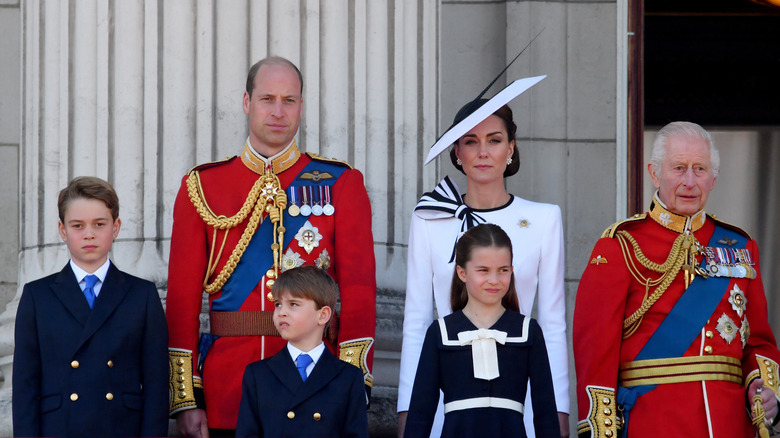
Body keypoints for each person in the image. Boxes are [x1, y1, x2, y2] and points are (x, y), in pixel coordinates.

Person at [166, 56, 376, 437]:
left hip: (317, 390)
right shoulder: (202, 187)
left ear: (300, 105)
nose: (278, 111)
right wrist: (187, 398)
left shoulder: (340, 183)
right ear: (247, 102)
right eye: (267, 99)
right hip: (227, 391)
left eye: (289, 100)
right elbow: (181, 302)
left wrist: (354, 382)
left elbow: (360, 294)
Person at [573, 121, 780, 437]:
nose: (689, 181)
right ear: (654, 173)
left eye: (700, 169)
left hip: (727, 425)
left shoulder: (739, 246)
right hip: (652, 421)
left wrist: (765, 389)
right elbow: (595, 353)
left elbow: (758, 341)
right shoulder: (620, 245)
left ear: (713, 178)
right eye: (679, 168)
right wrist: (601, 431)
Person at [398, 98, 570, 437]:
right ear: (457, 153)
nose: (482, 152)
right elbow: (417, 321)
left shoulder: (543, 218)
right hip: (449, 403)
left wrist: (559, 407)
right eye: (470, 142)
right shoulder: (430, 219)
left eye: (494, 140)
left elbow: (552, 324)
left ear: (511, 148)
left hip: (518, 402)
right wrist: (408, 406)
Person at [12, 176, 169, 437]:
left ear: (115, 227)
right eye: (77, 225)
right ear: (63, 230)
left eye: (99, 224)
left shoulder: (142, 295)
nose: (89, 234)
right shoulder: (36, 296)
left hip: (120, 428)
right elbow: (25, 388)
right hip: (60, 429)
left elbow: (156, 386)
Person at [404, 224, 560, 437]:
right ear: (462, 272)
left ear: (511, 271)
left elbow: (546, 414)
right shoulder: (440, 332)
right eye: (483, 270)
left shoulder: (528, 330)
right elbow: (420, 414)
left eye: (503, 270)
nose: (494, 280)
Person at [235, 265, 369, 438]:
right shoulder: (258, 374)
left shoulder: (349, 377)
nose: (281, 312)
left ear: (323, 315)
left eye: (293, 304)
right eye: (278, 304)